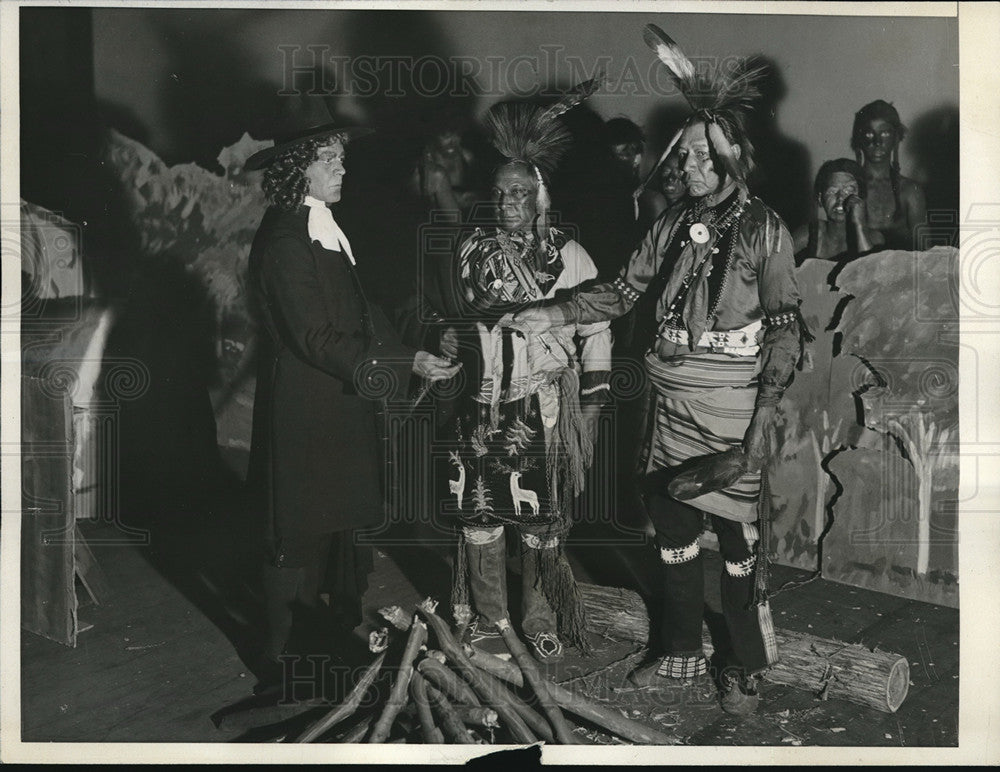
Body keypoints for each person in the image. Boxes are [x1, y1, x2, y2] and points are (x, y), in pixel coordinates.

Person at [507, 25, 807, 715]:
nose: (692, 163)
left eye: (705, 153)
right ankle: (678, 651)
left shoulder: (764, 228)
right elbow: (620, 291)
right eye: (687, 152)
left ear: (731, 157)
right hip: (670, 396)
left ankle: (743, 664)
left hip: (733, 400)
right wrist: (552, 314)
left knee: (736, 538)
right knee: (671, 524)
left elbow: (787, 327)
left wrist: (765, 413)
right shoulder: (670, 223)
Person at [243, 107, 460, 688]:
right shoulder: (287, 240)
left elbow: (360, 319)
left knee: (342, 523)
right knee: (294, 530)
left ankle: (333, 633)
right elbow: (314, 337)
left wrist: (415, 346)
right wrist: (400, 361)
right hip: (306, 408)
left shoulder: (320, 226)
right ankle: (278, 658)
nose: (343, 168)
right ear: (299, 170)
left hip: (340, 401)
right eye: (329, 159)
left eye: (341, 156)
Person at [441, 94, 612, 662]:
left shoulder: (572, 257)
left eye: (519, 192)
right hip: (481, 404)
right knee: (480, 513)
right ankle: (492, 619)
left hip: (542, 405)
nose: (508, 202)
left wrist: (591, 404)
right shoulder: (470, 251)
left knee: (539, 519)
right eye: (500, 193)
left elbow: (598, 330)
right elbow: (457, 319)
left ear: (539, 195)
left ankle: (539, 617)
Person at [851, 100, 926, 250]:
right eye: (869, 133)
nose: (877, 141)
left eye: (884, 133)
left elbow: (925, 251)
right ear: (860, 138)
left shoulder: (910, 191)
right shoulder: (848, 188)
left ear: (896, 138)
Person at [794, 158, 884, 263]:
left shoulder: (874, 238)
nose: (840, 198)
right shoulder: (808, 234)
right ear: (820, 199)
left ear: (861, 197)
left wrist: (860, 225)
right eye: (832, 191)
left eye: (849, 191)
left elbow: (872, 274)